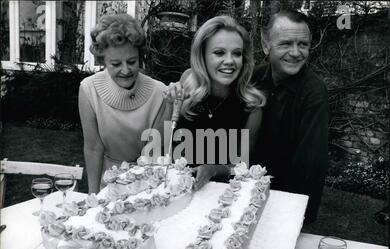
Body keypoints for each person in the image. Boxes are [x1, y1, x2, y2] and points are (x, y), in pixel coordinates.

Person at [166, 15, 266, 190]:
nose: (229, 61)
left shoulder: (252, 106)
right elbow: (167, 144)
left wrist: (214, 169)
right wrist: (169, 105)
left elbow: (241, 168)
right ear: (202, 56)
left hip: (221, 200)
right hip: (178, 192)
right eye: (219, 52)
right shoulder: (187, 83)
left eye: (237, 53)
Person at [252, 10, 330, 223]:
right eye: (286, 43)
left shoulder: (314, 92)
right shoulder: (252, 78)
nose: (296, 53)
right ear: (266, 44)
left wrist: (295, 218)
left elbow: (311, 163)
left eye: (303, 44)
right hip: (244, 191)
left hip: (282, 204)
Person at [78, 13, 171, 194]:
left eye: (131, 61)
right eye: (115, 64)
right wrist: (93, 195)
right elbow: (93, 148)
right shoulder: (88, 89)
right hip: (109, 184)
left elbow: (155, 148)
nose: (126, 70)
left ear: (140, 56)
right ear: (102, 61)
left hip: (148, 183)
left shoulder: (160, 92)